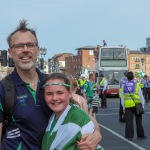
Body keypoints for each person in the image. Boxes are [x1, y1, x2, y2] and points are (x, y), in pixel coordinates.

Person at [0, 19, 101, 150]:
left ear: (37, 49)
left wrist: (97, 132)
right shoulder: (4, 89)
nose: (25, 50)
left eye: (30, 45)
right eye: (18, 46)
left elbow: (82, 115)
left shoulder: (53, 84)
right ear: (10, 52)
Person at [41, 73, 103, 150]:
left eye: (60, 93)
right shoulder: (54, 116)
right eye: (49, 94)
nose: (54, 98)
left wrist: (97, 132)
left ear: (70, 94)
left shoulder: (78, 118)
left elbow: (92, 146)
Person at [121, 71, 146, 141]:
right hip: (136, 105)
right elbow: (140, 95)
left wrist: (123, 107)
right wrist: (143, 104)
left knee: (129, 122)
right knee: (139, 120)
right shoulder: (136, 84)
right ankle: (140, 135)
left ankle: (129, 136)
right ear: (133, 77)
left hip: (128, 106)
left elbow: (122, 97)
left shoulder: (124, 86)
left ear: (127, 77)